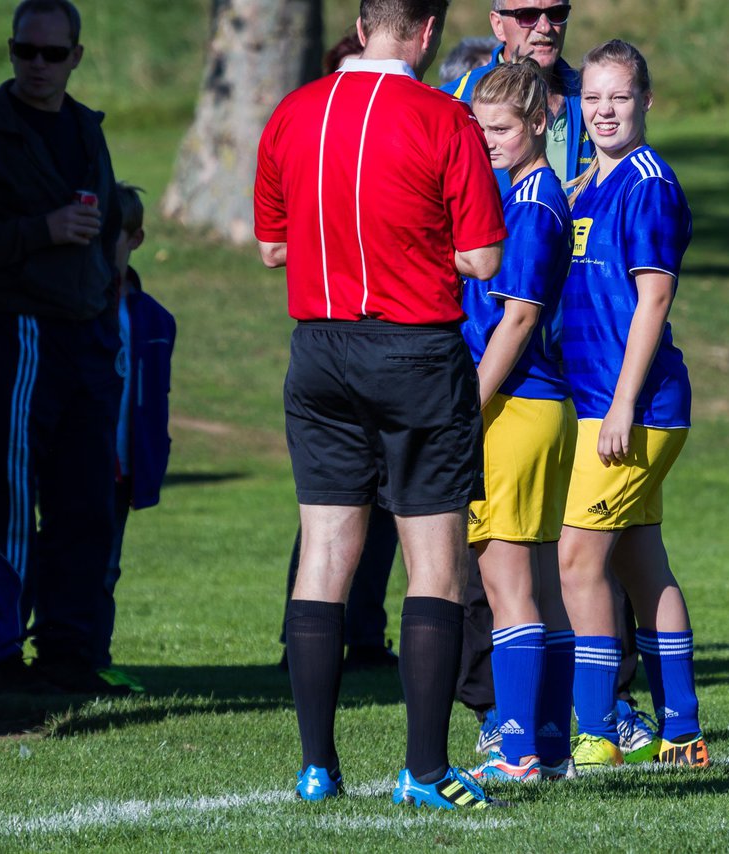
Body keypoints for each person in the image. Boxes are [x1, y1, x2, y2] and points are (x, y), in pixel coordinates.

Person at [253, 0, 507, 808]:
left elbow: (271, 247)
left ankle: (317, 768)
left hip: (320, 350)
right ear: (428, 31)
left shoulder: (292, 112)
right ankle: (425, 770)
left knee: (326, 553)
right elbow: (481, 253)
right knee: (435, 561)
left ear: (362, 28)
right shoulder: (446, 117)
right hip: (415, 350)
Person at [0, 0, 129, 697]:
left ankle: (69, 652)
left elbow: (101, 218)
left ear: (76, 56)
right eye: (24, 51)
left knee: (85, 501)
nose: (36, 65)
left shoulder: (84, 129)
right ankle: (0, 656)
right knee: (3, 498)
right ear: (12, 52)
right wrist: (39, 230)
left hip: (85, 334)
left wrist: (113, 259)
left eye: (51, 53)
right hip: (9, 335)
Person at [558, 39, 708, 770]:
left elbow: (653, 302)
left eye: (619, 96)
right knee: (641, 565)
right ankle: (681, 729)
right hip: (599, 403)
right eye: (592, 98)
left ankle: (595, 731)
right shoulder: (588, 182)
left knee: (577, 560)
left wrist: (621, 407)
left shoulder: (647, 182)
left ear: (647, 101)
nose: (605, 110)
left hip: (634, 409)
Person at [458, 61, 577, 784]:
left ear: (538, 123)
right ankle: (552, 744)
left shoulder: (534, 201)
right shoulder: (518, 192)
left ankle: (517, 749)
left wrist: (468, 403)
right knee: (533, 581)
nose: (490, 140)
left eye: (500, 127)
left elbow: (522, 315)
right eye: (480, 128)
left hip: (518, 404)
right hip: (536, 406)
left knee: (507, 586)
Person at [273, 28, 402, 676]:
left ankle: (366, 630)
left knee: (381, 506)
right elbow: (274, 245)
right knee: (329, 517)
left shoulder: (393, 137)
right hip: (349, 339)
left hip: (369, 340)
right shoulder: (305, 133)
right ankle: (304, 644)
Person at [96, 182, 176, 694]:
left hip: (125, 467)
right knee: (66, 556)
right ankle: (60, 652)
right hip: (83, 462)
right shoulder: (82, 307)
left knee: (107, 564)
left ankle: (94, 655)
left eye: (116, 237)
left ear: (137, 238)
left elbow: (154, 399)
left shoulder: (153, 319)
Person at [441, 1, 593, 191]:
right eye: (527, 15)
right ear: (498, 25)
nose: (545, 27)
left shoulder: (596, 96)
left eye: (557, 13)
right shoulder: (450, 103)